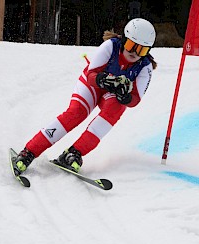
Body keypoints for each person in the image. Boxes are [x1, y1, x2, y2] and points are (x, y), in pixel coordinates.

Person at [13, 18, 157, 175]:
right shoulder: (111, 46)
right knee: (77, 113)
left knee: (114, 111)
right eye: (131, 46)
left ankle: (74, 153)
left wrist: (126, 98)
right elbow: (91, 75)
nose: (134, 53)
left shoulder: (145, 66)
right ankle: (29, 152)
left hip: (112, 93)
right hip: (93, 85)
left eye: (141, 50)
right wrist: (102, 79)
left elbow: (135, 99)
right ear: (124, 40)